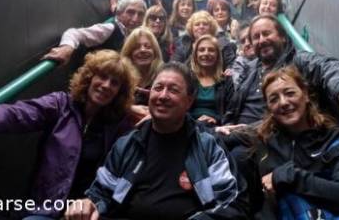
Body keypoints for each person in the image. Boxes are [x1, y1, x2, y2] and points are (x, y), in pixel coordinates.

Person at [0, 50, 138, 219]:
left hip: (83, 212)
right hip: (42, 207)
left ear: (120, 91)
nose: (106, 85)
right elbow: (16, 114)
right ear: (90, 77)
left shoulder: (119, 126)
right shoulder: (61, 104)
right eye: (102, 76)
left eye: (115, 82)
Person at [64, 62, 248, 220]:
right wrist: (89, 204)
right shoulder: (127, 144)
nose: (162, 96)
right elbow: (101, 192)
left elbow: (232, 202)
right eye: (158, 88)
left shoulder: (208, 145)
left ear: (189, 101)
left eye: (173, 90)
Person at [222, 14, 339, 128]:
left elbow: (328, 67)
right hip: (239, 134)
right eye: (256, 37)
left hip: (275, 137)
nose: (261, 40)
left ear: (283, 37)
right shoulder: (250, 69)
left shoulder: (298, 60)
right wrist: (227, 126)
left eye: (266, 33)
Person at [250, 65, 339, 219]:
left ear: (305, 95)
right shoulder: (263, 142)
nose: (283, 102)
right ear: (269, 108)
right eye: (274, 99)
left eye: (290, 93)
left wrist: (292, 177)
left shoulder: (333, 138)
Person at [43, 0, 146, 65]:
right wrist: (66, 48)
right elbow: (74, 33)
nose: (135, 19)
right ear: (119, 13)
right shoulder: (110, 28)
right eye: (130, 12)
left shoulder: (133, 37)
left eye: (140, 14)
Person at [189, 35, 234, 126]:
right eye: (201, 50)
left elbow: (231, 110)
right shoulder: (188, 78)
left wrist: (216, 120)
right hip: (189, 125)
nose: (206, 53)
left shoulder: (225, 80)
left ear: (217, 55)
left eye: (211, 50)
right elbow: (179, 107)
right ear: (195, 54)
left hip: (216, 126)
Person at [120, 27, 163, 106]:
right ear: (129, 53)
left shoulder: (164, 76)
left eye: (148, 46)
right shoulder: (121, 77)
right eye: (136, 47)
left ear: (155, 52)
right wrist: (130, 109)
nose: (143, 50)